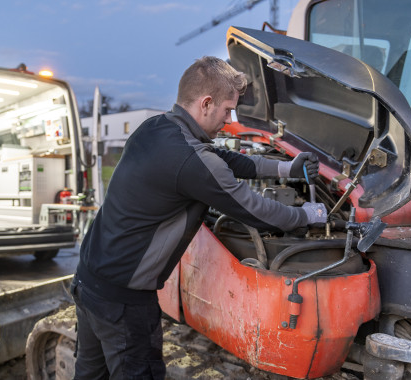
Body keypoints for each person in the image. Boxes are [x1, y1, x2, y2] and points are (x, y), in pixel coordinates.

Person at [70, 56, 326, 379]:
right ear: (206, 103)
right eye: (227, 109)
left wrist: (285, 169)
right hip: (123, 305)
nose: (229, 119)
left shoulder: (156, 128)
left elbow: (224, 159)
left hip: (88, 280)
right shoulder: (190, 159)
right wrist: (304, 215)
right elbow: (254, 209)